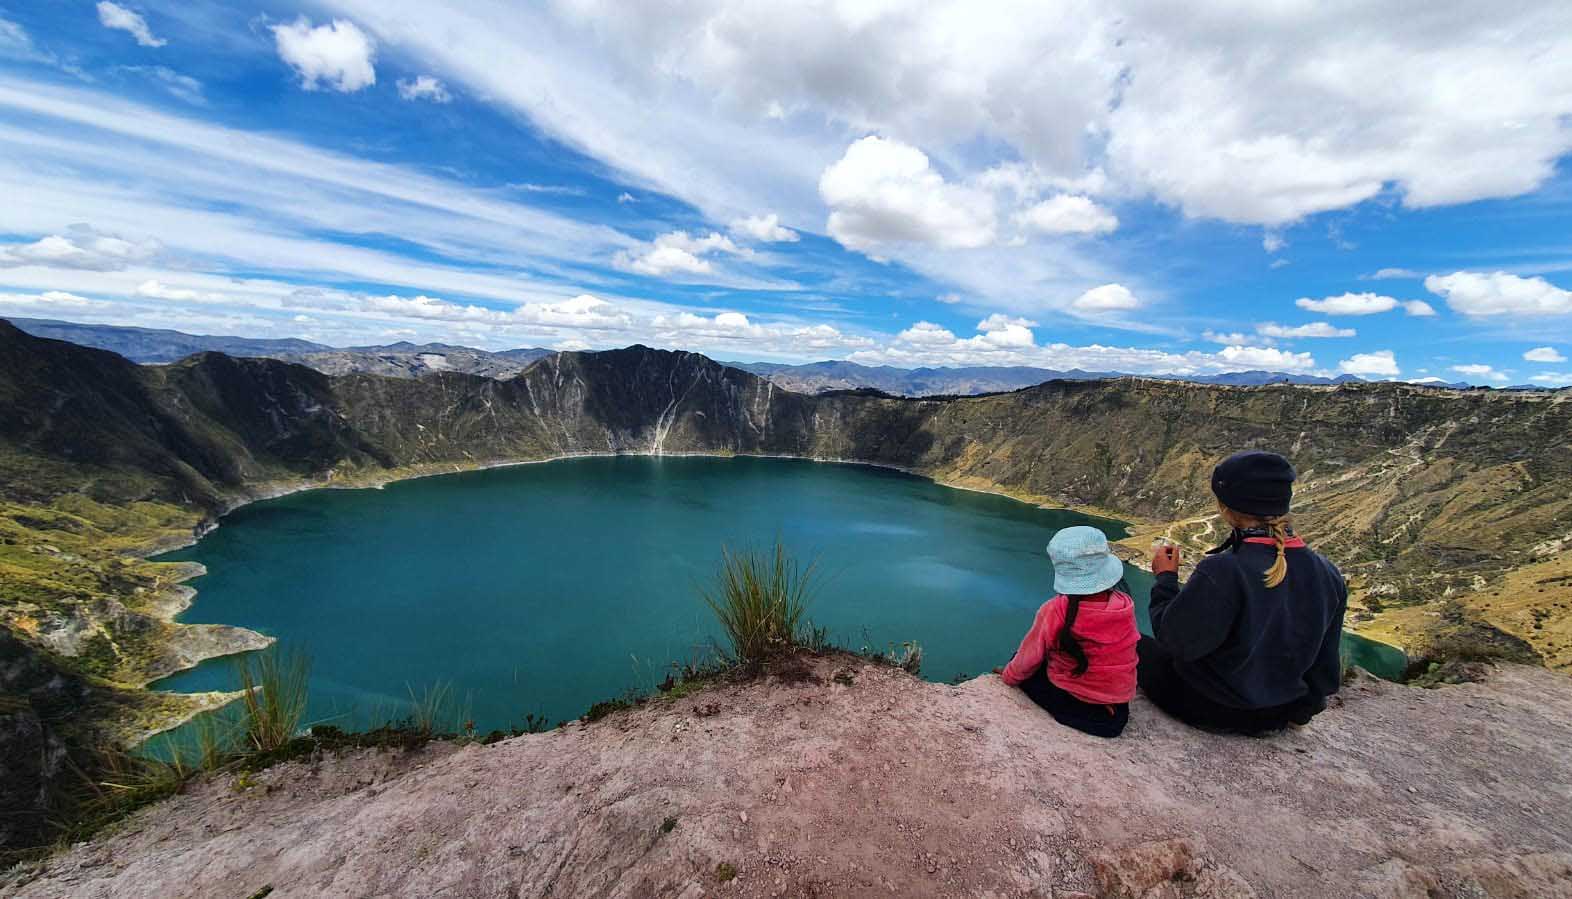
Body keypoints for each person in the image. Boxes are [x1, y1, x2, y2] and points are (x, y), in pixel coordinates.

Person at [1139, 450, 1347, 735]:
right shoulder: (1328, 572)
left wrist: (1165, 579)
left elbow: (1176, 641)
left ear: (1224, 507)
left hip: (1212, 708)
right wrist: (1299, 713)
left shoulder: (1223, 571)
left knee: (1135, 643)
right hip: (1277, 713)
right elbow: (1324, 669)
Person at [999, 525, 1139, 738]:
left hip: (1079, 708)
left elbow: (1028, 658)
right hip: (1117, 712)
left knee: (1021, 663)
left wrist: (1008, 678)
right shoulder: (1124, 604)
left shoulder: (1056, 610)